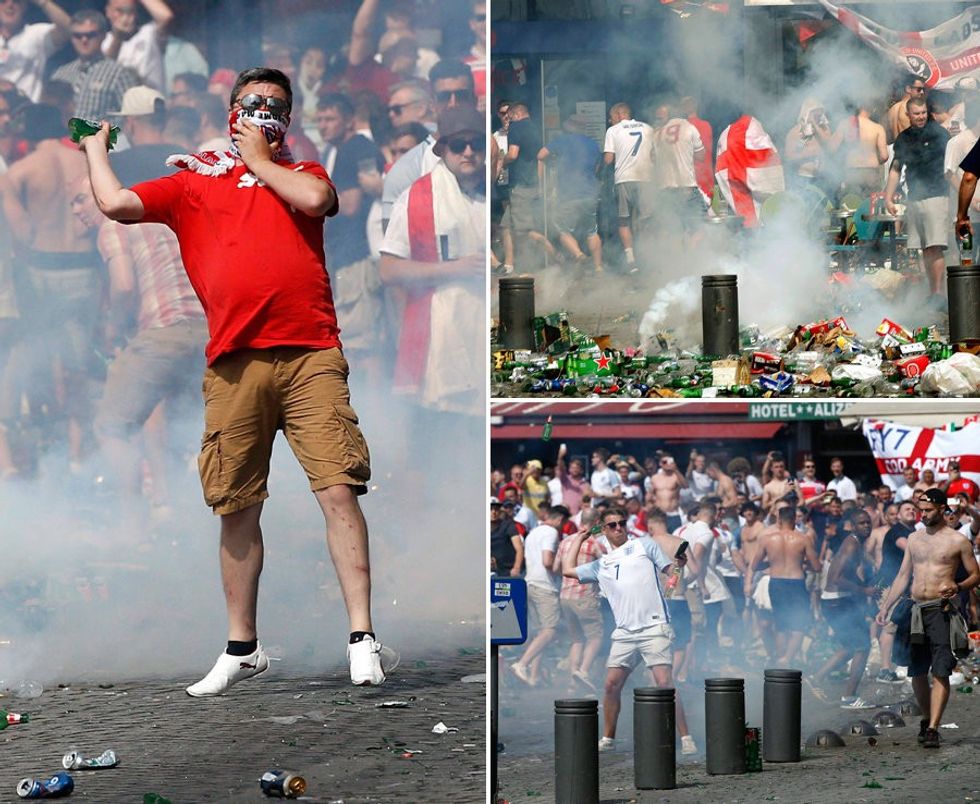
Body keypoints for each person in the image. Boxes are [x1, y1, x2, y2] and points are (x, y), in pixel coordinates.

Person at [78, 66, 397, 694]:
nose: (262, 111)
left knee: (339, 490)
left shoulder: (303, 173)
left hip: (310, 355)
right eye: (251, 103)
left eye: (274, 104)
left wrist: (258, 162)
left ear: (287, 121)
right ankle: (241, 647)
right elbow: (115, 204)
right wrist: (94, 147)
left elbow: (317, 205)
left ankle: (362, 637)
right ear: (230, 111)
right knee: (236, 503)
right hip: (233, 362)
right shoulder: (193, 183)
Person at [378, 106, 484, 427]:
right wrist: (455, 269)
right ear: (443, 149)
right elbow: (389, 270)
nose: (468, 151)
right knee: (444, 433)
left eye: (476, 144)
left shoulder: (491, 195)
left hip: (484, 330)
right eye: (458, 144)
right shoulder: (416, 197)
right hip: (440, 335)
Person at [562, 506, 697, 755]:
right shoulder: (601, 564)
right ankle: (608, 737)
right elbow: (567, 570)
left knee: (665, 683)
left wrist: (678, 567)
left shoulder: (645, 545)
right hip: (625, 632)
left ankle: (686, 737)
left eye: (622, 523)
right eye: (612, 525)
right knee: (611, 684)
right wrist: (579, 540)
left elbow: (671, 574)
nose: (619, 528)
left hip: (654, 626)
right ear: (603, 530)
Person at [876, 489, 979, 748]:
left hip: (940, 609)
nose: (923, 514)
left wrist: (958, 587)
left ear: (942, 509)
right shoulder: (913, 538)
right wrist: (886, 606)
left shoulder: (957, 540)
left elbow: (975, 575)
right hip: (915, 609)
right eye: (921, 510)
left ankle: (933, 727)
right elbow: (902, 575)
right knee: (917, 671)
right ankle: (926, 718)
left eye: (928, 510)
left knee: (941, 670)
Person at [885, 94, 950, 305]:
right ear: (909, 115)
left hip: (937, 195)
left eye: (923, 113)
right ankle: (932, 292)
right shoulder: (904, 138)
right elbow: (895, 169)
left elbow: (951, 166)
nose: (921, 117)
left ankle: (939, 293)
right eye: (916, 114)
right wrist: (888, 198)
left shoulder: (940, 134)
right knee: (925, 247)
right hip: (915, 197)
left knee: (936, 245)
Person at [813, 511, 876, 708]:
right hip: (836, 602)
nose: (866, 526)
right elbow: (836, 578)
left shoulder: (856, 542)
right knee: (862, 646)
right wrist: (864, 590)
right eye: (862, 523)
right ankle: (849, 697)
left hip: (838, 601)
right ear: (853, 526)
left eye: (868, 522)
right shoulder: (852, 543)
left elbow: (847, 575)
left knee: (850, 647)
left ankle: (816, 678)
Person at [745, 505, 820, 666]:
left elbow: (754, 565)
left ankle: (780, 657)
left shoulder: (768, 539)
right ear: (794, 520)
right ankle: (788, 658)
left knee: (780, 623)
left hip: (776, 582)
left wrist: (772, 562)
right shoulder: (803, 539)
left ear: (779, 520)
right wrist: (802, 563)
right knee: (798, 623)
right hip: (796, 582)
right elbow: (817, 567)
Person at [510, 505, 569, 686]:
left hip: (529, 583)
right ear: (559, 519)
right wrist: (564, 572)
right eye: (564, 524)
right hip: (545, 587)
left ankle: (533, 676)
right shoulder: (551, 533)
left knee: (540, 634)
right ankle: (521, 664)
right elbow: (547, 561)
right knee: (550, 631)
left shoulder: (533, 533)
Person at [537, 113, 603, 273]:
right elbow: (597, 168)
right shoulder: (594, 145)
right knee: (592, 231)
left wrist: (542, 182)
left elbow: (540, 155)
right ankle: (598, 268)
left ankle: (579, 255)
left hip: (568, 194)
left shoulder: (562, 141)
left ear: (570, 126)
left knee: (561, 229)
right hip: (589, 193)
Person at [553, 506, 604, 692]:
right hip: (585, 596)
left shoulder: (566, 541)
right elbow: (607, 566)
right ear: (597, 522)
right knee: (596, 637)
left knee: (577, 640)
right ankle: (582, 671)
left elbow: (556, 567)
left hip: (565, 597)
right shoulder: (595, 543)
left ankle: (573, 685)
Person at [52, 9, 138, 121]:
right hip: (65, 137)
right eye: (78, 35)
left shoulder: (118, 74)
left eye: (90, 35)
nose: (84, 40)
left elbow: (132, 117)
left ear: (103, 35)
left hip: (101, 136)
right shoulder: (61, 74)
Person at [603, 102, 655, 271]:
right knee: (645, 220)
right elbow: (654, 156)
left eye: (611, 118)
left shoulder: (613, 131)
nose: (610, 121)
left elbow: (609, 159)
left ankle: (631, 261)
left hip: (624, 179)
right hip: (645, 178)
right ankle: (649, 257)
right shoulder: (648, 128)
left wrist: (602, 168)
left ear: (619, 115)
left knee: (624, 221)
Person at [0, 0, 71, 102]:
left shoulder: (36, 34)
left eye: (16, 1)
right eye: (3, 1)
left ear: (24, 7)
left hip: (25, 111)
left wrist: (43, 2)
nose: (10, 5)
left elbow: (69, 29)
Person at [101, 0, 173, 92]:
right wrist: (118, 39)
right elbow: (104, 71)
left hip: (150, 102)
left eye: (130, 11)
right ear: (108, 11)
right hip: (121, 103)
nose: (125, 17)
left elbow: (166, 17)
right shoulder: (103, 41)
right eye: (120, 11)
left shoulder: (150, 33)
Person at [649, 453, 688, 531]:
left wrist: (675, 469)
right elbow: (649, 495)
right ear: (660, 463)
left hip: (673, 513)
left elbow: (685, 486)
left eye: (669, 462)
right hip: (659, 514)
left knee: (674, 537)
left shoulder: (676, 476)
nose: (667, 464)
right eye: (664, 462)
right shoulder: (654, 478)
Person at [886, 76, 927, 143]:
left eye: (923, 89)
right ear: (908, 89)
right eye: (919, 89)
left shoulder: (892, 109)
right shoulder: (910, 108)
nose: (922, 92)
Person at [490, 497, 523, 577]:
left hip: (507, 572)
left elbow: (519, 549)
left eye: (496, 509)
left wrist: (516, 568)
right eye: (490, 509)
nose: (493, 512)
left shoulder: (508, 526)